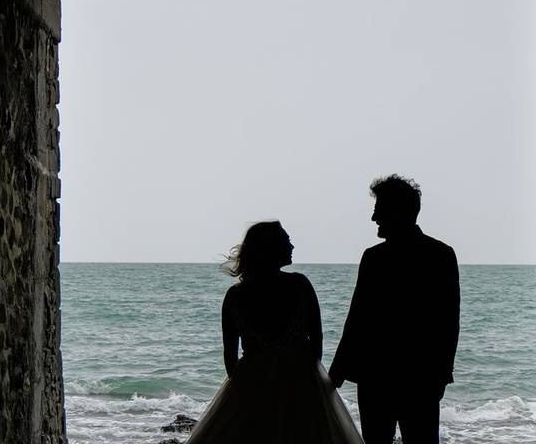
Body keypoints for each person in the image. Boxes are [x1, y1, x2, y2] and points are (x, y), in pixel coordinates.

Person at [186, 221, 364, 444]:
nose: (292, 246)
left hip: (251, 386)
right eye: (286, 241)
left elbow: (230, 356)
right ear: (270, 248)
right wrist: (310, 376)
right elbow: (316, 340)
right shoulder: (299, 285)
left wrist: (242, 390)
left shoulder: (235, 295)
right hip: (300, 381)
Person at [329, 175, 460, 444]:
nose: (374, 218)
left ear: (395, 212)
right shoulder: (441, 255)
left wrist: (336, 375)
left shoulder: (374, 258)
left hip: (376, 378)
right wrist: (441, 374)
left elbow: (356, 322)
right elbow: (448, 323)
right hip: (422, 378)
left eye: (378, 210)